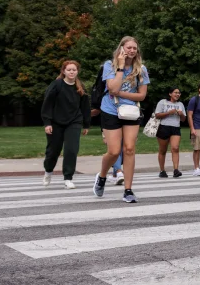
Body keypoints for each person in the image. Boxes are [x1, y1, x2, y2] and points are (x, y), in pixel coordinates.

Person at [92, 36, 149, 203]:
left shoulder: (141, 69)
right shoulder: (110, 66)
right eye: (128, 47)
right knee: (114, 151)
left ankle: (128, 190)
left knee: (129, 149)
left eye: (134, 48)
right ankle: (102, 176)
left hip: (131, 111)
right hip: (110, 110)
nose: (132, 50)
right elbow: (112, 87)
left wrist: (121, 94)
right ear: (122, 49)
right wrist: (121, 67)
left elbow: (142, 95)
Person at [41, 60, 91, 189]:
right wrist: (47, 123)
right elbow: (48, 104)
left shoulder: (80, 87)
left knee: (71, 150)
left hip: (74, 122)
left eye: (74, 70)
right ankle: (48, 171)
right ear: (63, 71)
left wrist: (86, 124)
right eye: (69, 69)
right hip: (56, 122)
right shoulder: (56, 85)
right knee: (53, 151)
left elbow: (85, 107)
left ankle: (68, 178)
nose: (71, 72)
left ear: (77, 72)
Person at [154, 87, 186, 178]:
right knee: (162, 150)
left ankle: (176, 170)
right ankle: (162, 170)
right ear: (170, 94)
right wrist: (169, 112)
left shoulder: (180, 104)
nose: (177, 94)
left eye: (179, 93)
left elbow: (183, 120)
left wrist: (181, 114)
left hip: (175, 128)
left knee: (175, 148)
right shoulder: (163, 102)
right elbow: (157, 115)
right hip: (163, 127)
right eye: (175, 92)